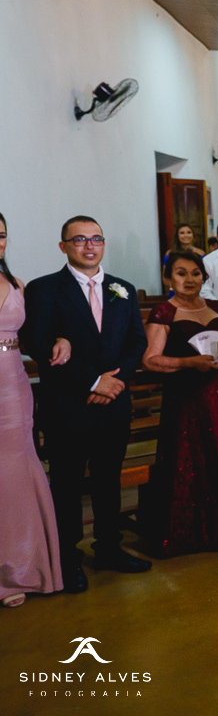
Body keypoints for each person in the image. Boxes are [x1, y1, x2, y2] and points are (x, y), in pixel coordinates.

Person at [21, 215, 151, 592]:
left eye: (96, 239)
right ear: (63, 246)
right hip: (68, 404)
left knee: (108, 479)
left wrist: (115, 382)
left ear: (103, 244)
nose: (89, 246)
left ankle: (109, 548)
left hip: (114, 403)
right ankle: (67, 560)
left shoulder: (123, 289)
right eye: (79, 240)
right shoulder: (45, 289)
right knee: (67, 484)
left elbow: (136, 342)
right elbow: (39, 343)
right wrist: (94, 381)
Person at [139, 252, 218, 557]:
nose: (189, 279)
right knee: (186, 462)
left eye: (196, 273)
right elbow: (150, 360)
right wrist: (189, 363)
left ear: (204, 277)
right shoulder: (164, 312)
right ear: (168, 278)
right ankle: (183, 535)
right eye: (181, 273)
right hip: (185, 401)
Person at [0, 212, 64, 606]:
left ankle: (18, 569)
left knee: (15, 468)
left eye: (1, 235)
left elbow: (32, 335)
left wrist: (60, 339)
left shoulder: (16, 284)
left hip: (12, 385)